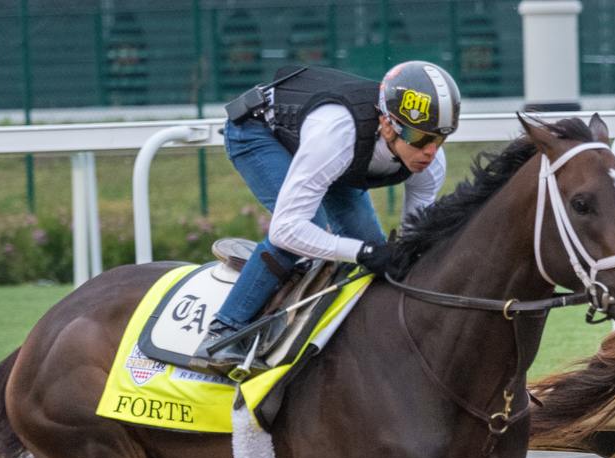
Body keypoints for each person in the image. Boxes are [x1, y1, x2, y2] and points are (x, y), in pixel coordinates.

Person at [194, 60, 461, 368]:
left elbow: (414, 244)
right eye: (420, 138)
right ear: (388, 124)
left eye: (440, 138)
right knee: (307, 233)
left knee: (377, 256)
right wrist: (361, 251)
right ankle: (224, 331)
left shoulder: (430, 165)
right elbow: (288, 229)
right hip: (259, 132)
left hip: (333, 157)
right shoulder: (338, 134)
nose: (430, 151)